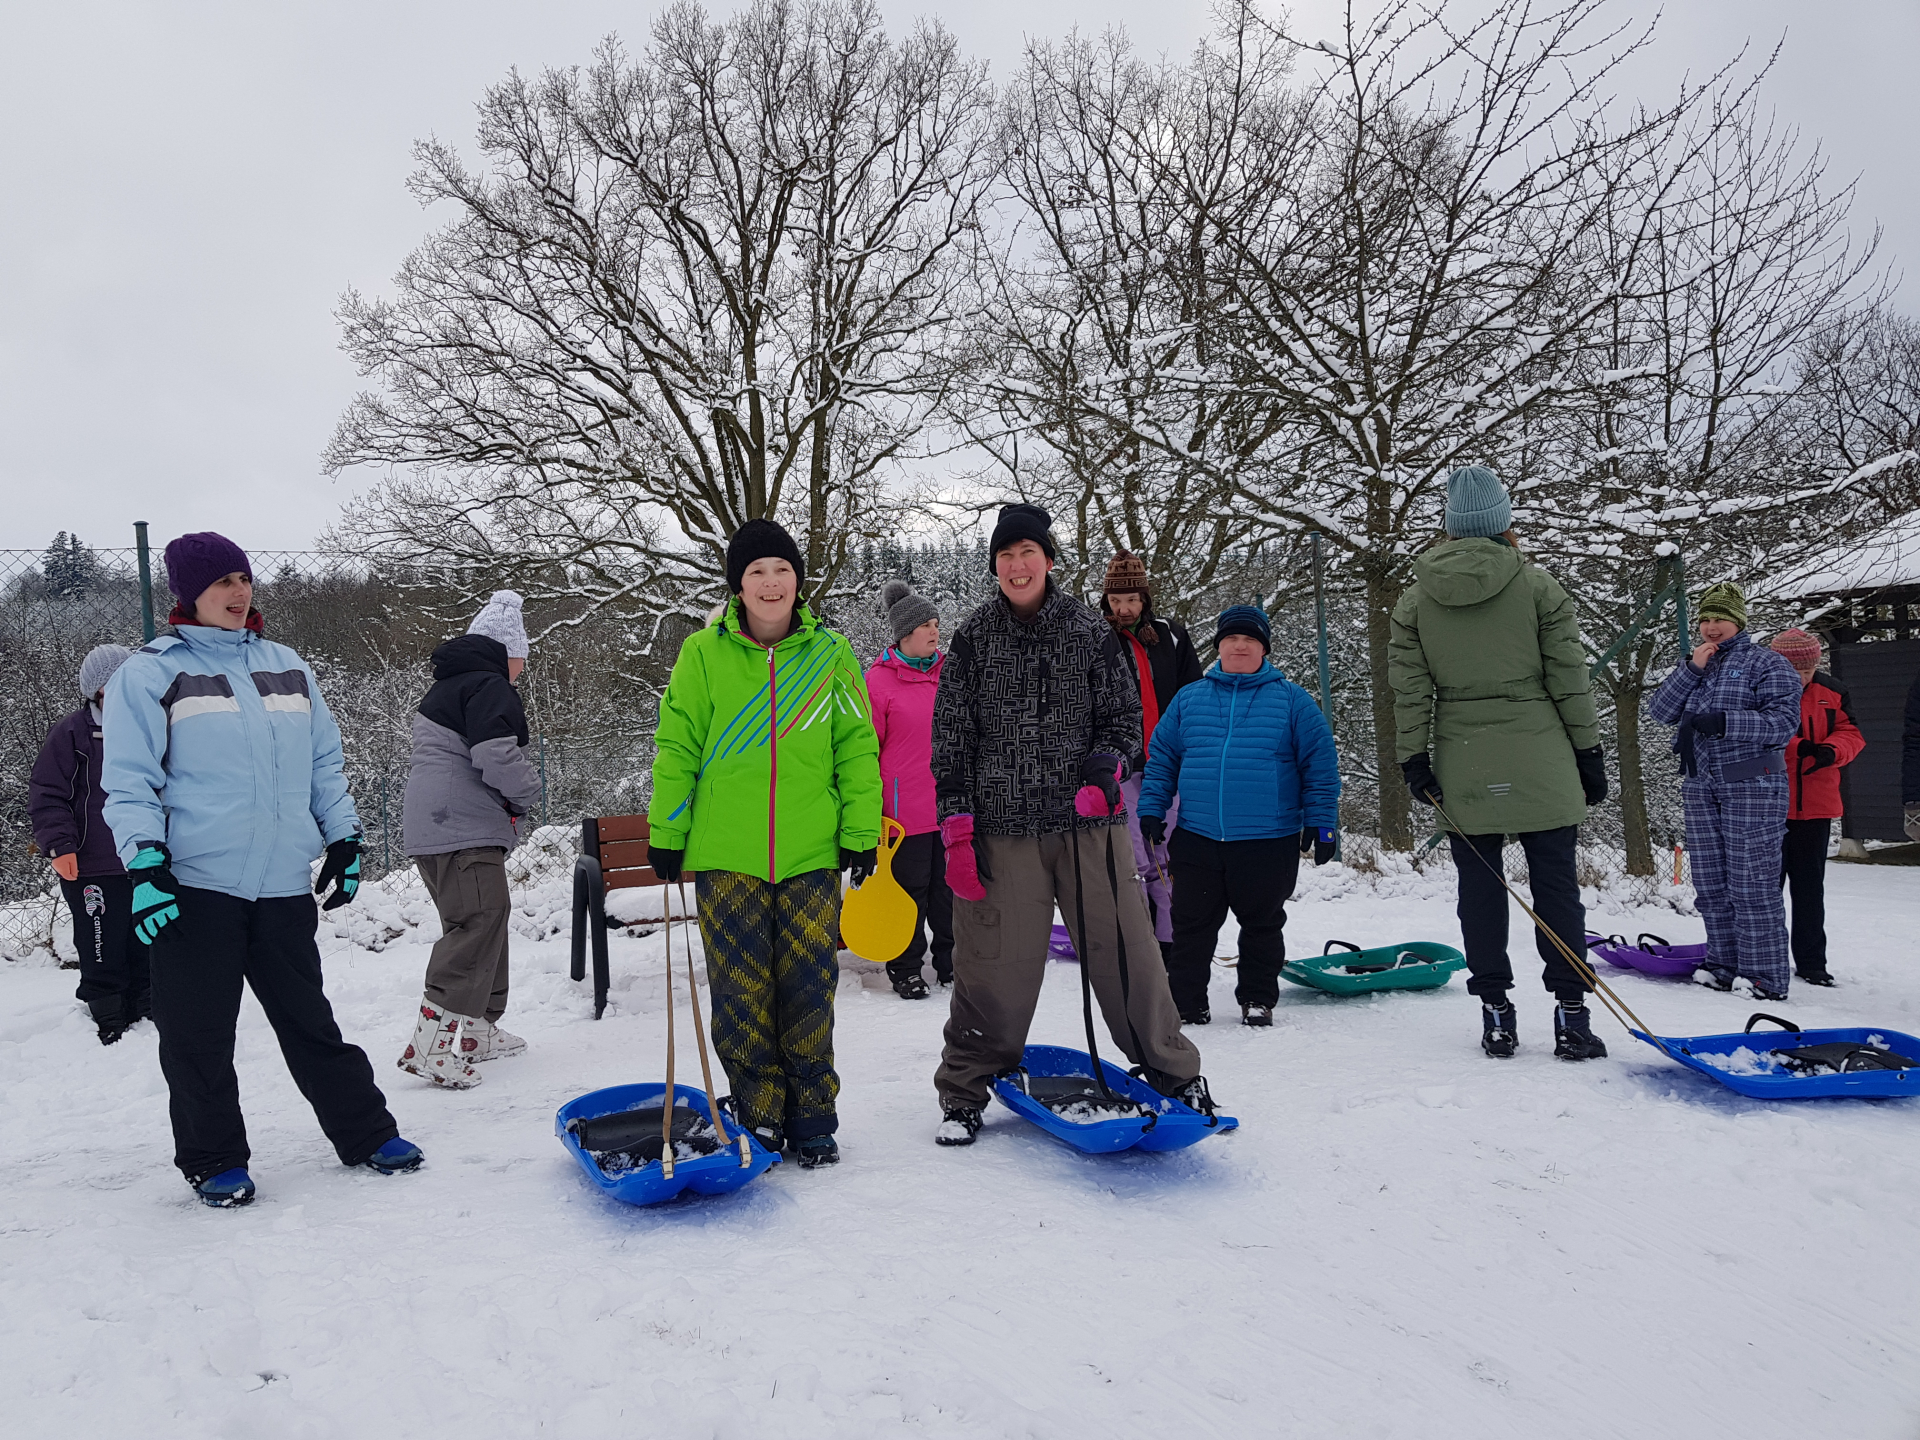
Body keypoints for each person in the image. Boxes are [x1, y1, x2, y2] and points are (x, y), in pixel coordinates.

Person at [101, 531, 421, 1208]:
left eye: (244, 578)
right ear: (188, 594)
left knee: (311, 1022)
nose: (238, 592)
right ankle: (214, 1159)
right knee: (198, 1036)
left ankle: (365, 1133)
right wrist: (146, 867)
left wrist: (344, 840)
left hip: (279, 885)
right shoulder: (151, 673)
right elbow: (128, 784)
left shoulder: (287, 666)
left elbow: (322, 765)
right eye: (221, 582)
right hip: (194, 888)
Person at [930, 502, 1211, 1146]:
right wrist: (956, 825)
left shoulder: (1090, 632)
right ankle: (967, 1089)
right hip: (1002, 834)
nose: (1017, 565)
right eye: (1005, 556)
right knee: (991, 964)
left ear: (1049, 561)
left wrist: (1104, 771)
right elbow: (950, 740)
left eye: (1028, 553)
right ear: (995, 567)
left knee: (1128, 952)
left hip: (1089, 828)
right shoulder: (974, 640)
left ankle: (1171, 1070)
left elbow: (1124, 721)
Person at [646, 519, 882, 1169]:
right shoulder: (703, 655)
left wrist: (861, 829)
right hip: (727, 857)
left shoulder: (831, 654)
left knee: (809, 987)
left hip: (809, 854)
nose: (771, 582)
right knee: (741, 991)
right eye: (756, 572)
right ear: (737, 586)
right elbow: (678, 749)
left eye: (781, 569)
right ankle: (759, 1112)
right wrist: (668, 832)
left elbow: (857, 750)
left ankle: (812, 1115)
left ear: (798, 581)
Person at [1388, 466, 1611, 1061]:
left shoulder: (1415, 599)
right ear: (1503, 522)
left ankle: (1496, 1015)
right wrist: (1588, 751)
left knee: (1480, 891)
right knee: (1556, 888)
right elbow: (1570, 678)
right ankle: (1572, 1015)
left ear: (1450, 526)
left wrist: (1414, 757)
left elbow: (1409, 691)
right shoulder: (1538, 587)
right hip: (1541, 747)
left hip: (1462, 754)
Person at [1138, 605, 1340, 1028]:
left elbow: (1319, 766)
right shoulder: (1189, 699)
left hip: (1268, 839)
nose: (1240, 645)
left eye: (1249, 639)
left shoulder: (1292, 701)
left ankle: (1257, 998)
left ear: (1264, 648)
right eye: (1231, 639)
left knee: (1263, 926)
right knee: (1190, 926)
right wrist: (1153, 809)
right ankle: (1187, 1001)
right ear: (1219, 647)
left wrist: (1322, 823)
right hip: (1198, 836)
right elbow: (1162, 760)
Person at [398, 591, 543, 1086]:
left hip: (438, 823)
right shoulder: (489, 685)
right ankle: (432, 1046)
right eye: (522, 653)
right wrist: (527, 791)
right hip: (461, 825)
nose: (524, 663)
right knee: (477, 921)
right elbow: (495, 754)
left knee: (485, 917)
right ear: (507, 652)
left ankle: (477, 1028)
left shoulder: (452, 686)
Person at [1649, 584, 1802, 999]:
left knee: (1752, 885)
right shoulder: (1694, 665)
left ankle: (1762, 976)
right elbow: (1659, 711)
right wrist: (1690, 672)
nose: (1711, 627)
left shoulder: (1767, 664)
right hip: (1701, 786)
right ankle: (1723, 964)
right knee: (1712, 884)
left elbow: (1783, 723)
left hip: (1753, 785)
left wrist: (1728, 722)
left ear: (1738, 621)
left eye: (1720, 619)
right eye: (1706, 619)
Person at [30, 643, 151, 1044]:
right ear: (96, 691)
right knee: (101, 940)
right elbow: (48, 794)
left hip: (144, 859)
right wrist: (59, 846)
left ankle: (148, 1006)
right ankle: (108, 1013)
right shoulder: (72, 734)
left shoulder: (151, 726)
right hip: (91, 863)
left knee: (146, 935)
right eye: (113, 685)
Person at [1098, 550, 1203, 967]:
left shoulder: (1171, 636)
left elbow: (1192, 696)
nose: (1123, 609)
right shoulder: (1096, 638)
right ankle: (1137, 940)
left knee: (1167, 852)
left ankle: (1171, 941)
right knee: (1133, 856)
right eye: (1116, 601)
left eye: (1132, 600)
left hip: (1165, 762)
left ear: (1145, 598)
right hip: (1120, 762)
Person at [864, 579, 953, 999]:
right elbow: (864, 751)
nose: (935, 631)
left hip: (951, 808)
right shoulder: (878, 682)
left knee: (950, 892)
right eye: (926, 625)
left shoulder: (949, 674)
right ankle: (905, 968)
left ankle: (952, 964)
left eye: (937, 623)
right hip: (903, 814)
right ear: (904, 634)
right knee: (908, 895)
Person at [1768, 629, 1863, 988]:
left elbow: (1852, 733)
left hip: (1817, 806)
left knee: (1810, 890)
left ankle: (1811, 963)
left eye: (1806, 670)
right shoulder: (1761, 689)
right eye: (1793, 669)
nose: (1800, 677)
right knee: (1766, 890)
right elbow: (1759, 733)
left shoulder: (1833, 691)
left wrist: (1831, 751)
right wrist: (1798, 747)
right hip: (1769, 805)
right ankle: (1765, 957)